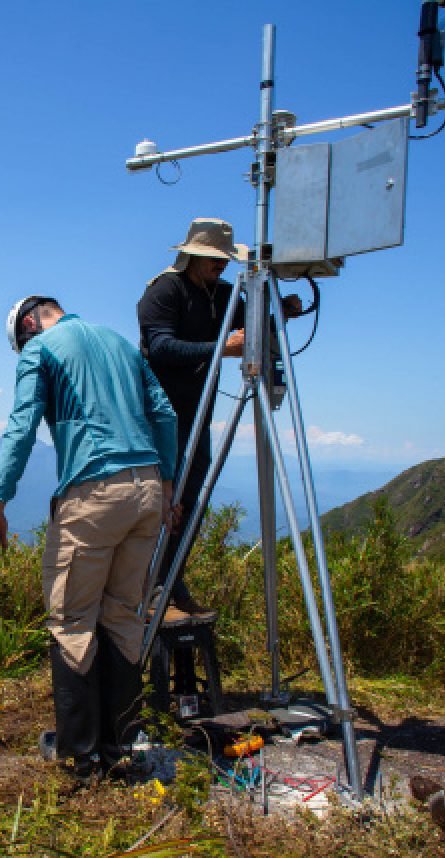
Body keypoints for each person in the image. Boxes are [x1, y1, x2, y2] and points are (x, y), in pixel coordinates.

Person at [0, 295, 177, 783]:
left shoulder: (42, 349)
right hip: (148, 488)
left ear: (30, 323)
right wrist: (167, 482)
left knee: (71, 619)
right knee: (123, 616)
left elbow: (22, 425)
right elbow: (165, 414)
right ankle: (119, 748)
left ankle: (80, 758)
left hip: (94, 493)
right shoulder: (120, 344)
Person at [137, 218, 300, 621]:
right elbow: (160, 347)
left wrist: (284, 310)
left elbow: (251, 321)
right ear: (191, 256)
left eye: (223, 260)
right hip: (160, 411)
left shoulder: (222, 293)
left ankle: (171, 581)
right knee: (162, 499)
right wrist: (221, 348)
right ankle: (149, 586)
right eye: (213, 260)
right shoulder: (164, 291)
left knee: (191, 495)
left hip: (197, 410)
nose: (220, 267)